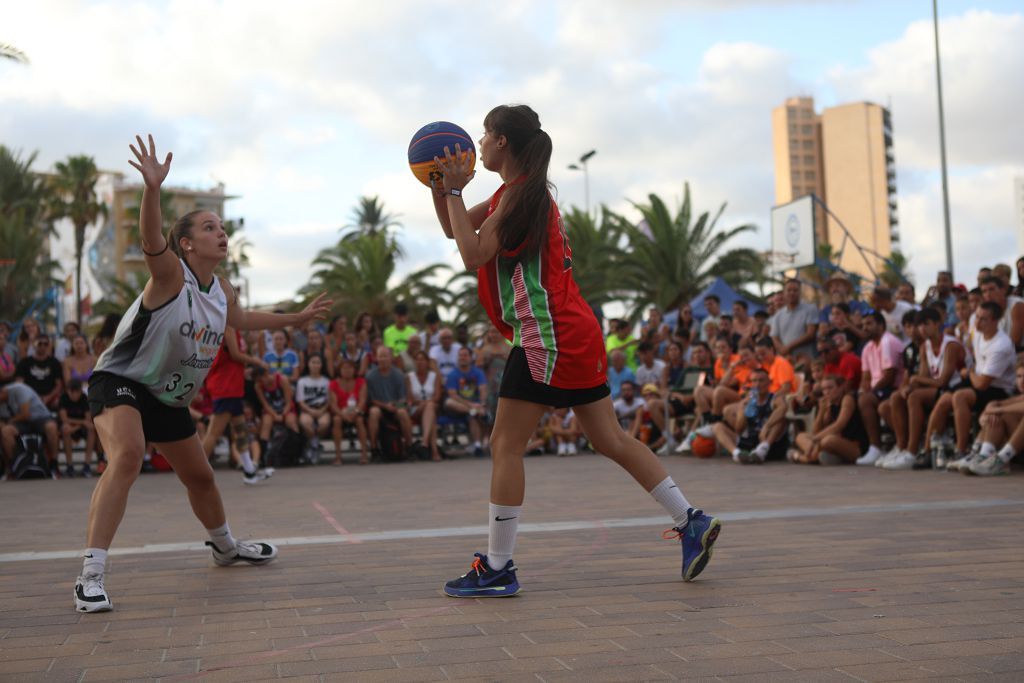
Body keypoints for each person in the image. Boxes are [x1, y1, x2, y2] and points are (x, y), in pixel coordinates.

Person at [431, 104, 719, 597]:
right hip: (572, 330)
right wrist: (442, 191)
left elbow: (474, 254)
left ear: (502, 143)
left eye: (484, 135)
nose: (478, 143)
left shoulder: (521, 199)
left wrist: (455, 190)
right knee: (610, 440)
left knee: (505, 445)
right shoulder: (515, 193)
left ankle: (498, 567)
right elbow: (453, 231)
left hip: (549, 334)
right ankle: (691, 520)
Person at [74, 135, 331, 614]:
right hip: (120, 380)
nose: (221, 232)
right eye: (210, 226)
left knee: (202, 477)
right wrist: (152, 189)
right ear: (187, 243)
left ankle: (224, 546)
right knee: (127, 457)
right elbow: (152, 240)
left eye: (222, 226)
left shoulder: (222, 290)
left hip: (166, 396)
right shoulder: (172, 275)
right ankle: (90, 575)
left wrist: (295, 319)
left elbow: (244, 320)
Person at [946, 301, 1017, 470]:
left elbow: (983, 384)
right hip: (979, 379)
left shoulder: (1001, 345)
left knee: (960, 396)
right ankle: (935, 443)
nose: (977, 322)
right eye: (976, 317)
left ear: (995, 321)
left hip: (1000, 389)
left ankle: (962, 450)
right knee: (944, 397)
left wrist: (970, 372)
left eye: (983, 319)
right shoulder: (977, 332)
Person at [200, 324, 270, 484]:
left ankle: (249, 471)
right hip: (225, 387)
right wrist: (255, 361)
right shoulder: (227, 327)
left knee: (241, 430)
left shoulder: (233, 328)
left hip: (232, 386)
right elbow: (235, 355)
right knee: (214, 433)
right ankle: (194, 473)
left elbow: (232, 358)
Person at [709, 366, 787, 464]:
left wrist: (767, 426)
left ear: (769, 383)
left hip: (771, 444)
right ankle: (737, 454)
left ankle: (763, 449)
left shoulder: (775, 397)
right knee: (717, 426)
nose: (757, 384)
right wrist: (744, 410)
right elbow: (739, 429)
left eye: (761, 381)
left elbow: (783, 408)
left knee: (781, 418)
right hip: (751, 444)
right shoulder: (748, 400)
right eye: (754, 381)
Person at [854, 312, 904, 466]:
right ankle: (865, 446)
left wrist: (870, 392)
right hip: (878, 389)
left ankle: (876, 447)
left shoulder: (887, 341)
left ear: (881, 326)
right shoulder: (867, 347)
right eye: (863, 325)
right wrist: (863, 389)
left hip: (893, 387)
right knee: (854, 398)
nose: (865, 328)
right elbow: (866, 377)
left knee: (866, 400)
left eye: (869, 324)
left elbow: (889, 376)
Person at [789, 374, 865, 465]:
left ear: (840, 388)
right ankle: (824, 457)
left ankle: (799, 457)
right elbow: (816, 431)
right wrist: (822, 411)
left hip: (855, 446)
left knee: (827, 440)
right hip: (834, 442)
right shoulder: (830, 404)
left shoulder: (847, 399)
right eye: (824, 389)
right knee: (800, 436)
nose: (827, 392)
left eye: (830, 388)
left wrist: (814, 440)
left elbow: (840, 425)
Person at [0, 381, 60, 477]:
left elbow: (25, 414)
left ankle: (54, 463)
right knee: (6, 431)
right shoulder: (1, 401)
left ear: (2, 391)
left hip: (40, 418)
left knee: (52, 427)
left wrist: (9, 421)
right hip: (21, 423)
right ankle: (13, 465)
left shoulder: (19, 389)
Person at [365, 346, 413, 457]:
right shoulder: (370, 376)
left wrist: (395, 405)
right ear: (376, 358)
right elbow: (371, 400)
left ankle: (409, 445)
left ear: (391, 358)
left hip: (395, 407)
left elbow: (403, 398)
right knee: (374, 412)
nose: (383, 359)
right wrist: (385, 406)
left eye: (385, 356)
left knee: (403, 412)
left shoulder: (399, 375)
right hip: (380, 407)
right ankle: (374, 448)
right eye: (380, 356)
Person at [443, 346, 490, 457]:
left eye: (465, 355)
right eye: (460, 355)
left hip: (475, 407)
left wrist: (482, 403)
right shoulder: (452, 374)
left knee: (473, 415)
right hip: (458, 407)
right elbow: (453, 395)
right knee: (449, 402)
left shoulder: (478, 373)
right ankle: (475, 412)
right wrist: (472, 406)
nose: (462, 357)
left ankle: (478, 446)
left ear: (470, 358)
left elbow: (483, 390)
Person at [328, 358, 369, 465]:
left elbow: (362, 400)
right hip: (341, 412)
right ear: (339, 370)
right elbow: (333, 404)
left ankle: (364, 454)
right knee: (337, 420)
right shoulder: (333, 384)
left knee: (360, 420)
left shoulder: (361, 382)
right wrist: (343, 415)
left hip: (356, 411)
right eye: (344, 368)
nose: (347, 370)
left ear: (355, 370)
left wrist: (355, 412)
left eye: (350, 368)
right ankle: (338, 456)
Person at [770, 278, 819, 361]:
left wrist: (788, 347)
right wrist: (783, 350)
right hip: (786, 359)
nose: (792, 293)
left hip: (806, 358)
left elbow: (811, 334)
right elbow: (774, 336)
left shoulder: (810, 309)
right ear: (784, 293)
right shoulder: (778, 315)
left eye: (795, 290)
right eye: (789, 290)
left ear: (800, 292)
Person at [406, 349, 442, 461]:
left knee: (430, 407)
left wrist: (426, 403)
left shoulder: (434, 376)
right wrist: (423, 403)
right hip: (416, 408)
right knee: (431, 415)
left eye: (422, 360)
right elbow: (410, 398)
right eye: (417, 360)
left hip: (431, 407)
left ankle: (425, 443)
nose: (419, 362)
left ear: (427, 362)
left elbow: (437, 396)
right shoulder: (409, 377)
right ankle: (433, 450)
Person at [295, 355, 331, 463]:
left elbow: (330, 400)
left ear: (321, 365)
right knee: (306, 423)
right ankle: (313, 445)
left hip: (323, 408)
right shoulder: (302, 381)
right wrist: (310, 411)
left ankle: (314, 444)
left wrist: (322, 410)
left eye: (318, 362)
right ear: (308, 364)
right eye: (313, 362)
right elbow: (300, 401)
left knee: (323, 424)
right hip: (307, 408)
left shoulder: (326, 381)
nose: (315, 365)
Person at [59, 378, 96, 478]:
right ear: (68, 391)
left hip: (80, 427)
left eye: (77, 392)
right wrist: (81, 423)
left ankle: (87, 465)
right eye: (72, 392)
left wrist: (77, 426)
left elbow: (88, 419)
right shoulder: (63, 398)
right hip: (70, 427)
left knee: (91, 428)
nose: (75, 395)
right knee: (65, 429)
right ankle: (69, 465)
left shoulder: (84, 398)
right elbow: (64, 419)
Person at [16, 334, 64, 411]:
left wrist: (48, 397)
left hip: (50, 397)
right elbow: (19, 383)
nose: (42, 346)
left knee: (59, 403)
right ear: (33, 345)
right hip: (29, 397)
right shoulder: (24, 362)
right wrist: (32, 398)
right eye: (39, 343)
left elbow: (59, 385)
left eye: (45, 344)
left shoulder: (55, 362)